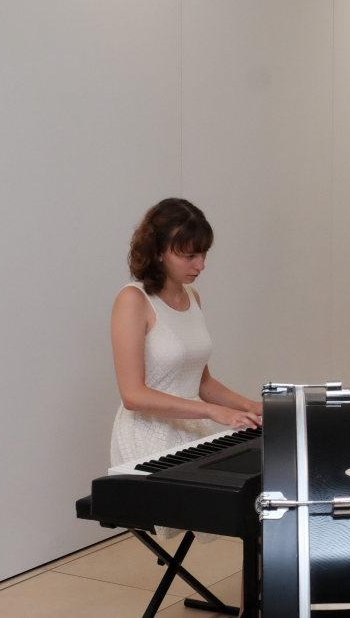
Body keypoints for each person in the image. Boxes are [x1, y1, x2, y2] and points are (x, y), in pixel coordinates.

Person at [110, 198, 262, 499]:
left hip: (190, 429)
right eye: (190, 256)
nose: (200, 265)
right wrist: (215, 412)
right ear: (158, 251)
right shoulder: (133, 300)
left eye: (203, 254)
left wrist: (251, 407)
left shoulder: (193, 297)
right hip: (147, 436)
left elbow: (202, 382)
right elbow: (133, 395)